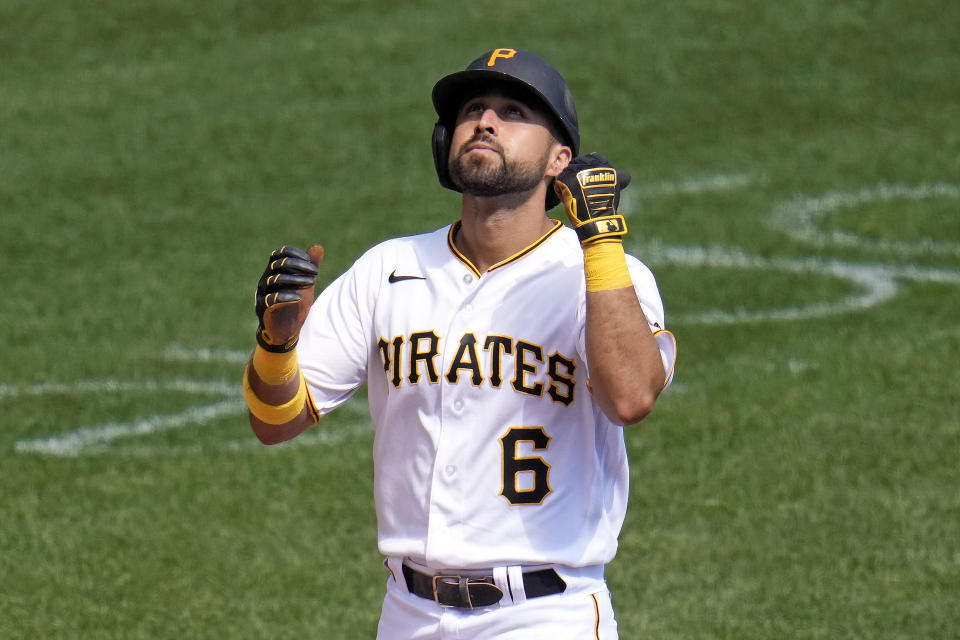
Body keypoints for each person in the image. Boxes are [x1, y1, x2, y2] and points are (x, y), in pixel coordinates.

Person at [243, 47, 677, 639]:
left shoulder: (600, 278)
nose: (485, 121)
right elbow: (276, 418)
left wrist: (600, 240)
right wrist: (277, 342)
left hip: (545, 614)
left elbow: (630, 398)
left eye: (513, 110)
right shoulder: (390, 269)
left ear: (561, 159)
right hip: (408, 614)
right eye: (473, 108)